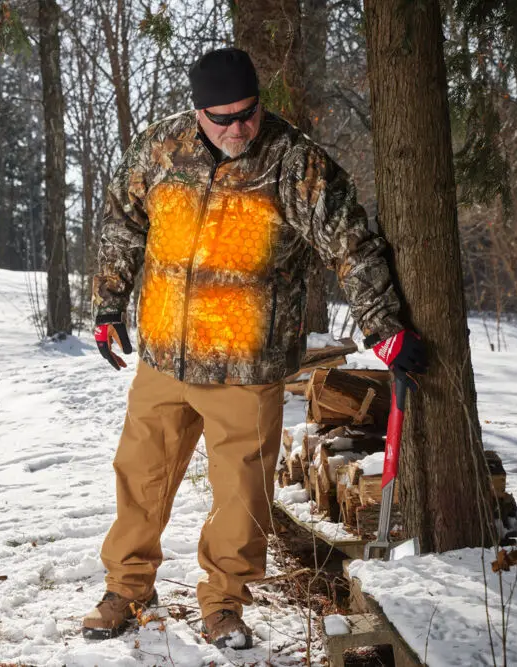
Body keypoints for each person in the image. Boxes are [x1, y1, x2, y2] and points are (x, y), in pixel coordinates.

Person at [83, 47, 427, 649]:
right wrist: (108, 304)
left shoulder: (294, 162)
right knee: (139, 476)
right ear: (198, 112)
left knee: (241, 498)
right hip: (164, 356)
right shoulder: (160, 149)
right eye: (224, 118)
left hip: (245, 363)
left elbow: (351, 244)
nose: (239, 127)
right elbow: (122, 220)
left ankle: (224, 603)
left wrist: (383, 326)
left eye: (248, 112)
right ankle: (127, 589)